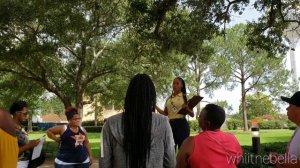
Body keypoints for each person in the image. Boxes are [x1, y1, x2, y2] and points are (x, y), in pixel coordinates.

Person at [100, 74, 176, 168]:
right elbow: (170, 162)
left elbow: (104, 163)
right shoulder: (163, 122)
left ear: (129, 96)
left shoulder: (110, 123)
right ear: (151, 97)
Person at [176, 104, 243, 168]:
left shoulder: (190, 142)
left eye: (200, 116)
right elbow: (237, 160)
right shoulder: (232, 138)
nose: (198, 118)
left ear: (207, 123)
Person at [156, 77, 193, 150]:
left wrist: (187, 108)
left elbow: (192, 114)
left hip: (181, 125)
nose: (174, 85)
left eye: (177, 83)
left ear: (182, 85)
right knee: (170, 149)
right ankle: (172, 162)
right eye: (173, 83)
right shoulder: (169, 99)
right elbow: (165, 113)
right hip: (170, 125)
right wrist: (155, 106)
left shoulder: (185, 97)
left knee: (183, 149)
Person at [269, 91, 300, 168]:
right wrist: (280, 157)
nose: (287, 108)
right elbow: (295, 158)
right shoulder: (298, 129)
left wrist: (278, 161)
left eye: (290, 105)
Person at [10, 100, 40, 168]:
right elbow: (10, 152)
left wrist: (33, 143)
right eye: (25, 113)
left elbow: (22, 143)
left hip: (26, 162)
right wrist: (29, 145)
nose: (27, 116)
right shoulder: (10, 129)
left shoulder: (21, 127)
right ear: (17, 113)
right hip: (16, 164)